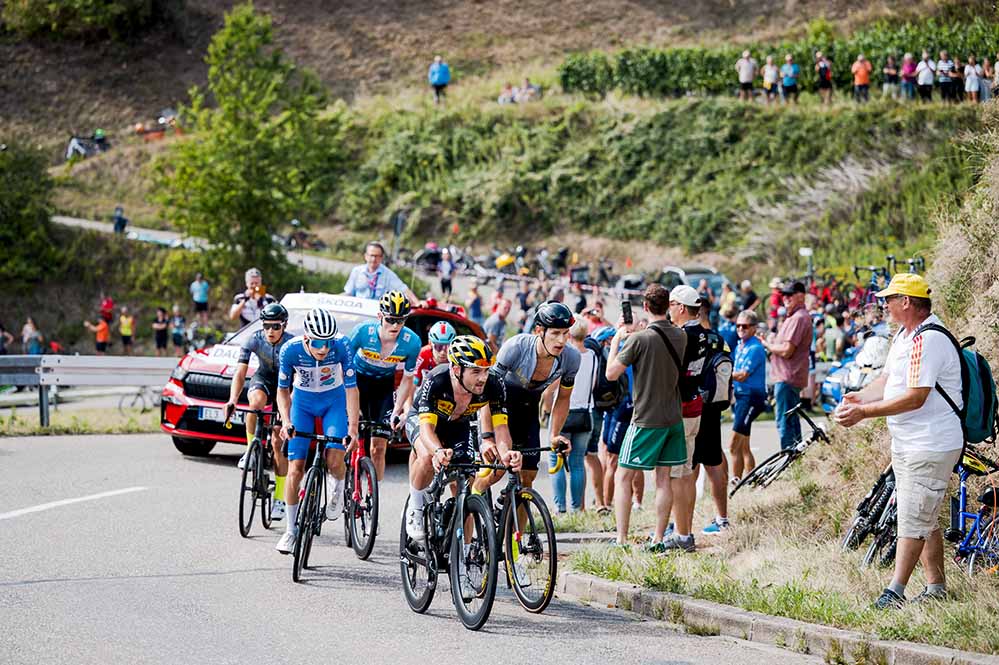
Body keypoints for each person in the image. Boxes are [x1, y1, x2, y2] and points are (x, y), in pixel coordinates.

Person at [833, 274, 963, 609]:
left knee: (912, 518)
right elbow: (889, 380)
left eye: (889, 298)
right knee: (923, 516)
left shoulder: (928, 340)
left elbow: (916, 397)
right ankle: (936, 588)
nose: (885, 304)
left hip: (930, 443)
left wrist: (866, 413)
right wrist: (859, 398)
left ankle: (895, 591)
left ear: (906, 301)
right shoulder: (906, 336)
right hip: (909, 442)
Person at [404, 336, 521, 603]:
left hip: (458, 426)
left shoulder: (494, 385)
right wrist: (437, 451)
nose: (483, 377)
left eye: (486, 370)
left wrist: (507, 453)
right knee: (425, 458)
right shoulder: (437, 379)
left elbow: (501, 430)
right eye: (476, 371)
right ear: (457, 369)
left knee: (465, 487)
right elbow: (426, 430)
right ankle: (416, 506)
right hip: (425, 424)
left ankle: (464, 562)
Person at [604, 284, 687, 549]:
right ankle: (659, 538)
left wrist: (618, 339)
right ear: (668, 306)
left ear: (646, 307)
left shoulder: (638, 339)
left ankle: (621, 539)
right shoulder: (681, 336)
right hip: (673, 416)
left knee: (623, 476)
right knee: (664, 479)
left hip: (645, 418)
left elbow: (611, 374)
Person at [275, 308, 360, 555]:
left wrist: (353, 428)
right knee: (295, 469)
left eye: (328, 342)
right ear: (306, 338)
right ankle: (290, 531)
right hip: (302, 404)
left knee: (334, 460)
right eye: (318, 343)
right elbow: (282, 390)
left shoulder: (342, 346)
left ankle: (339, 486)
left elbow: (352, 389)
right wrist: (286, 420)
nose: (323, 349)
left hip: (333, 402)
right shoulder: (290, 350)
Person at [474, 301, 580, 495]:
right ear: (539, 330)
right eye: (555, 333)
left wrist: (555, 434)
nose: (562, 340)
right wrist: (487, 437)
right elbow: (488, 391)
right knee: (494, 473)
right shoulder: (516, 347)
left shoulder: (571, 358)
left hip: (528, 410)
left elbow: (563, 399)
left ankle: (517, 525)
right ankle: (473, 499)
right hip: (500, 405)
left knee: (527, 477)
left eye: (566, 333)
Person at [226, 303, 294, 520]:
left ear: (284, 325)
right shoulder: (254, 339)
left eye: (275, 326)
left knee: (277, 442)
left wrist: (288, 413)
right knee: (255, 403)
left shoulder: (292, 343)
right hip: (263, 379)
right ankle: (250, 450)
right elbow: (240, 372)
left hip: (286, 387)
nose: (270, 331)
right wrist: (232, 399)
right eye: (266, 326)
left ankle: (280, 499)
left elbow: (301, 377)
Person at [348, 291, 421, 480]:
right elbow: (343, 366)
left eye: (401, 320)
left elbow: (407, 379)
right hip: (357, 384)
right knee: (348, 440)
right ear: (380, 316)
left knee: (378, 448)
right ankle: (339, 484)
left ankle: (374, 496)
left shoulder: (412, 342)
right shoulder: (363, 332)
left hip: (383, 389)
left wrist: (397, 410)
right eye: (391, 319)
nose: (396, 325)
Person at [549, 320, 597, 513]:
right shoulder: (592, 355)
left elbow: (555, 385)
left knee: (556, 460)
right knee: (577, 462)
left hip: (564, 413)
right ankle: (577, 507)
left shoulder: (565, 355)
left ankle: (560, 507)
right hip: (585, 413)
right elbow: (593, 384)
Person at [694, 300, 731, 535]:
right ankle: (722, 518)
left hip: (694, 405)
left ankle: (681, 523)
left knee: (688, 466)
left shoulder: (692, 339)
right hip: (715, 406)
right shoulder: (720, 340)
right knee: (714, 462)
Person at [763, 281, 811, 450]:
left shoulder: (799, 318)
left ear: (801, 296)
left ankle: (789, 460)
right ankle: (796, 461)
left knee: (785, 423)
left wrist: (768, 345)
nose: (786, 298)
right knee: (791, 421)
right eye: (784, 295)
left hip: (787, 377)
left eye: (790, 294)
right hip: (789, 377)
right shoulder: (795, 316)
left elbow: (787, 350)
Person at [729, 310, 766, 486]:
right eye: (738, 325)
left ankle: (736, 481)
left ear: (753, 328)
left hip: (751, 397)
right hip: (741, 396)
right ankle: (752, 480)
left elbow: (743, 375)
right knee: (743, 445)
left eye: (745, 326)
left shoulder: (755, 348)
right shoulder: (740, 346)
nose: (740, 329)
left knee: (733, 444)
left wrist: (722, 374)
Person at [343, 242, 418, 304]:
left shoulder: (388, 274)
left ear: (381, 258)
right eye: (371, 255)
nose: (373, 259)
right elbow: (348, 293)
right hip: (359, 312)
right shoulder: (356, 271)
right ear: (365, 256)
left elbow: (404, 289)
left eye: (377, 256)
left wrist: (417, 303)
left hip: (376, 315)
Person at [412, 321, 456, 390]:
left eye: (447, 347)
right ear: (430, 343)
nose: (443, 352)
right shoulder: (423, 354)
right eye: (438, 347)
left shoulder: (456, 357)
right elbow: (413, 383)